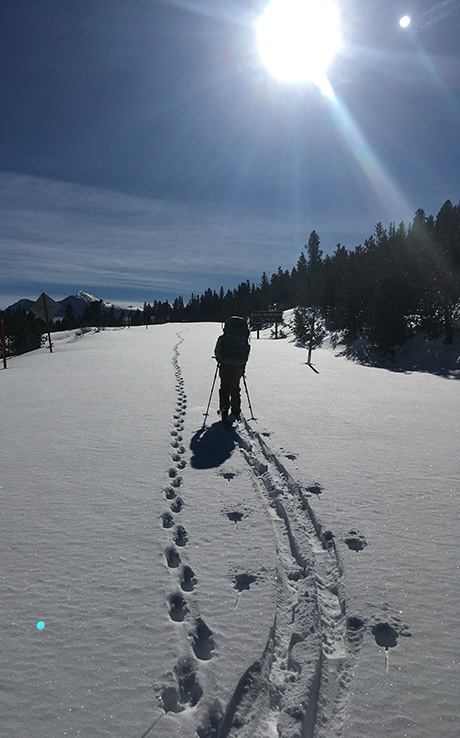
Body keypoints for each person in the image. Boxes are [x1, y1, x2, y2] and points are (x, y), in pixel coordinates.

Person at [214, 316, 250, 421]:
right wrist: (243, 364)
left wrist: (219, 359)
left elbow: (217, 351)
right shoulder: (244, 337)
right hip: (238, 366)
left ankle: (224, 408)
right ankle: (236, 410)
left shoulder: (223, 338)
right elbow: (247, 351)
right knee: (235, 388)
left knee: (224, 387)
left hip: (225, 365)